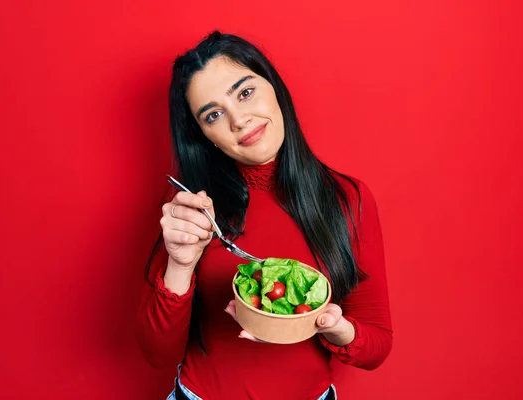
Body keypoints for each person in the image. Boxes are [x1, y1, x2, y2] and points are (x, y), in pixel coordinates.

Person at [136, 31, 393, 400]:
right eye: (213, 114)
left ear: (274, 87)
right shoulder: (191, 207)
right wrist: (179, 264)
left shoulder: (348, 198)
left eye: (245, 92)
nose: (239, 120)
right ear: (204, 134)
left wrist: (336, 328)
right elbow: (157, 354)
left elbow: (377, 345)